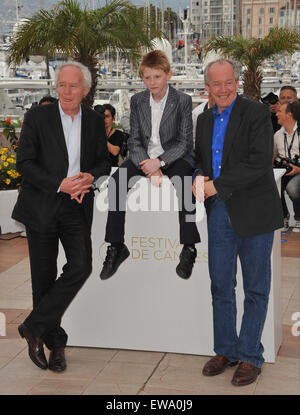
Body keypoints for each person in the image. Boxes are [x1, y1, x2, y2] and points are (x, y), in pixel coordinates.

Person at [12, 61, 111, 372]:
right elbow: (24, 163)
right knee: (42, 279)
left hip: (76, 206)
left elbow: (102, 165)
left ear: (85, 90)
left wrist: (87, 179)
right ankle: (55, 344)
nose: (67, 92)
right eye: (62, 85)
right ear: (56, 87)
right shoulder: (37, 116)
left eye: (73, 86)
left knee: (81, 265)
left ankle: (33, 326)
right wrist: (60, 184)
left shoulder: (95, 121)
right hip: (41, 204)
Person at [193, 59, 283, 386]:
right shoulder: (203, 119)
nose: (224, 89)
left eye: (228, 82)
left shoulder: (257, 113)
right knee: (220, 285)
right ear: (208, 88)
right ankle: (226, 350)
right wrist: (199, 176)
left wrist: (215, 185)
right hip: (219, 213)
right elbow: (199, 160)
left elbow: (259, 163)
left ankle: (249, 356)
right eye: (216, 84)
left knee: (255, 288)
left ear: (237, 82)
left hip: (255, 213)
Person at [100, 50, 200, 281]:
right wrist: (146, 163)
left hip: (174, 156)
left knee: (185, 185)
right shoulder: (137, 101)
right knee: (116, 183)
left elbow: (185, 142)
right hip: (143, 156)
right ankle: (116, 246)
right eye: (147, 77)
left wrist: (160, 162)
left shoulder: (182, 100)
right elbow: (134, 139)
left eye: (157, 77)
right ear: (142, 78)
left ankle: (189, 247)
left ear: (168, 75)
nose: (152, 82)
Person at [274, 101, 300, 232]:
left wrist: (298, 169)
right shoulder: (277, 135)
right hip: (284, 172)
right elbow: (272, 157)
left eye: (279, 111)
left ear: (289, 115)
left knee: (293, 187)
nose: (276, 113)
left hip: (299, 171)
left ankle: (299, 219)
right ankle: (283, 218)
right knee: (272, 184)